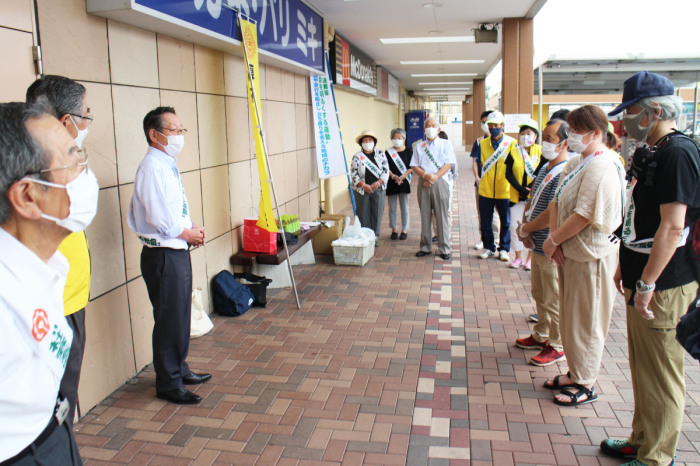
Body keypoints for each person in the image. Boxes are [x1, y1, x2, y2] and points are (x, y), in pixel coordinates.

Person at [600, 71, 700, 466]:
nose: (623, 124)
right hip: (644, 275)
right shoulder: (656, 150)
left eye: (631, 113)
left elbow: (673, 226)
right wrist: (630, 267)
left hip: (664, 282)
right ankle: (641, 439)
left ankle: (657, 457)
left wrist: (647, 283)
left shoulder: (678, 153)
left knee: (661, 372)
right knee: (643, 366)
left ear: (655, 111)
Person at [0, 99, 97, 464]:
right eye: (73, 161)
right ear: (28, 196)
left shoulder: (45, 265)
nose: (86, 175)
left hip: (53, 433)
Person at [542, 105, 625, 406]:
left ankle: (586, 381)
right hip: (569, 250)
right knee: (572, 317)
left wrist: (554, 240)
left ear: (597, 133)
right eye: (571, 130)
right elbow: (557, 202)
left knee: (589, 319)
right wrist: (555, 240)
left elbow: (585, 214)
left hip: (591, 254)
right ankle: (575, 372)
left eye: (577, 131)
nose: (572, 136)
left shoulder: (603, 165)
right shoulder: (578, 161)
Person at [128, 106, 210, 405]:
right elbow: (158, 214)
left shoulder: (166, 163)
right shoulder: (152, 166)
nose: (179, 135)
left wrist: (189, 230)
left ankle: (179, 368)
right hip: (163, 254)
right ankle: (168, 382)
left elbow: (174, 209)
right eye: (174, 130)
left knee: (178, 315)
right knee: (168, 319)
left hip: (175, 249)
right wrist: (186, 233)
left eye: (180, 129)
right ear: (155, 134)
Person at [26, 75, 94, 427]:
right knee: (57, 402)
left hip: (66, 296)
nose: (86, 123)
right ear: (67, 120)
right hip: (56, 301)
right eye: (84, 114)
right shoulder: (40, 164)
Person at [515, 119, 569, 366]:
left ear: (565, 143)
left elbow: (551, 212)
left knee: (553, 296)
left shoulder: (565, 171)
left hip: (550, 244)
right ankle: (541, 334)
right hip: (535, 242)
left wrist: (527, 228)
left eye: (550, 138)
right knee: (540, 292)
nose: (544, 142)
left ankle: (557, 344)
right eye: (544, 137)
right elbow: (532, 199)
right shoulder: (545, 167)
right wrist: (525, 228)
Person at [411, 117, 456, 260]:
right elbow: (414, 165)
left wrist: (433, 178)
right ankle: (425, 246)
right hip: (423, 182)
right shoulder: (419, 146)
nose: (430, 128)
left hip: (440, 182)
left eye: (433, 125)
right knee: (425, 215)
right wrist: (426, 176)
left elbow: (448, 164)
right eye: (427, 126)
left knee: (441, 215)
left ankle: (444, 248)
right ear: (424, 130)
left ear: (438, 129)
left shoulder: (446, 144)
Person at [505, 119, 542, 269]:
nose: (525, 136)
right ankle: (518, 256)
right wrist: (520, 188)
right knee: (515, 226)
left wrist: (531, 187)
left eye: (529, 133)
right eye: (522, 133)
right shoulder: (514, 151)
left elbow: (542, 171)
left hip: (534, 197)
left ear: (535, 135)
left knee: (533, 227)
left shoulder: (541, 151)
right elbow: (508, 173)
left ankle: (530, 258)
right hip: (516, 196)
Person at [477, 111, 514, 261]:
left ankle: (504, 249)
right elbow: (480, 162)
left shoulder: (511, 143)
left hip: (504, 189)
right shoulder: (483, 143)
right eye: (490, 125)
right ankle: (489, 247)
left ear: (502, 126)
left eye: (496, 125)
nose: (493, 128)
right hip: (486, 189)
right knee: (486, 220)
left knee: (506, 221)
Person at [350, 130, 389, 242]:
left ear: (374, 142)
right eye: (365, 140)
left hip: (378, 188)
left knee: (377, 213)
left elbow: (386, 171)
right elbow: (353, 173)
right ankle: (365, 238)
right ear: (361, 143)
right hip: (362, 189)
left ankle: (375, 237)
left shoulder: (381, 154)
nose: (368, 142)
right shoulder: (357, 156)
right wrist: (363, 185)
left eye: (370, 140)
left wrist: (378, 183)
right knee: (363, 214)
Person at [470, 110, 500, 250]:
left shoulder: (506, 142)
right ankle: (485, 238)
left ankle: (497, 239)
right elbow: (475, 161)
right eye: (484, 122)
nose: (488, 126)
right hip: (482, 183)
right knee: (482, 213)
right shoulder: (479, 142)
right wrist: (477, 177)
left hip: (499, 184)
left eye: (491, 122)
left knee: (498, 214)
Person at [385, 128, 412, 241]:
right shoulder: (388, 152)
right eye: (394, 138)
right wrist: (393, 176)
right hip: (392, 182)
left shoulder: (409, 151)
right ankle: (394, 229)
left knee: (404, 207)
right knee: (392, 208)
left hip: (404, 181)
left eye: (399, 138)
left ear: (404, 139)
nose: (397, 140)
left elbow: (412, 167)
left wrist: (404, 176)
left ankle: (404, 229)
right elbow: (385, 167)